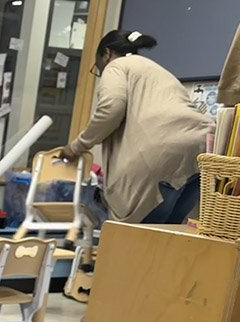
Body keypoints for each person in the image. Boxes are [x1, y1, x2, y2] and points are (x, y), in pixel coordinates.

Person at [60, 31, 214, 225]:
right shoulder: (157, 70)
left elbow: (111, 108)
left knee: (136, 240)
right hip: (201, 152)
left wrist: (76, 147)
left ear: (106, 54)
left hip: (162, 154)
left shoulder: (116, 66)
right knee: (168, 237)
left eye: (97, 66)